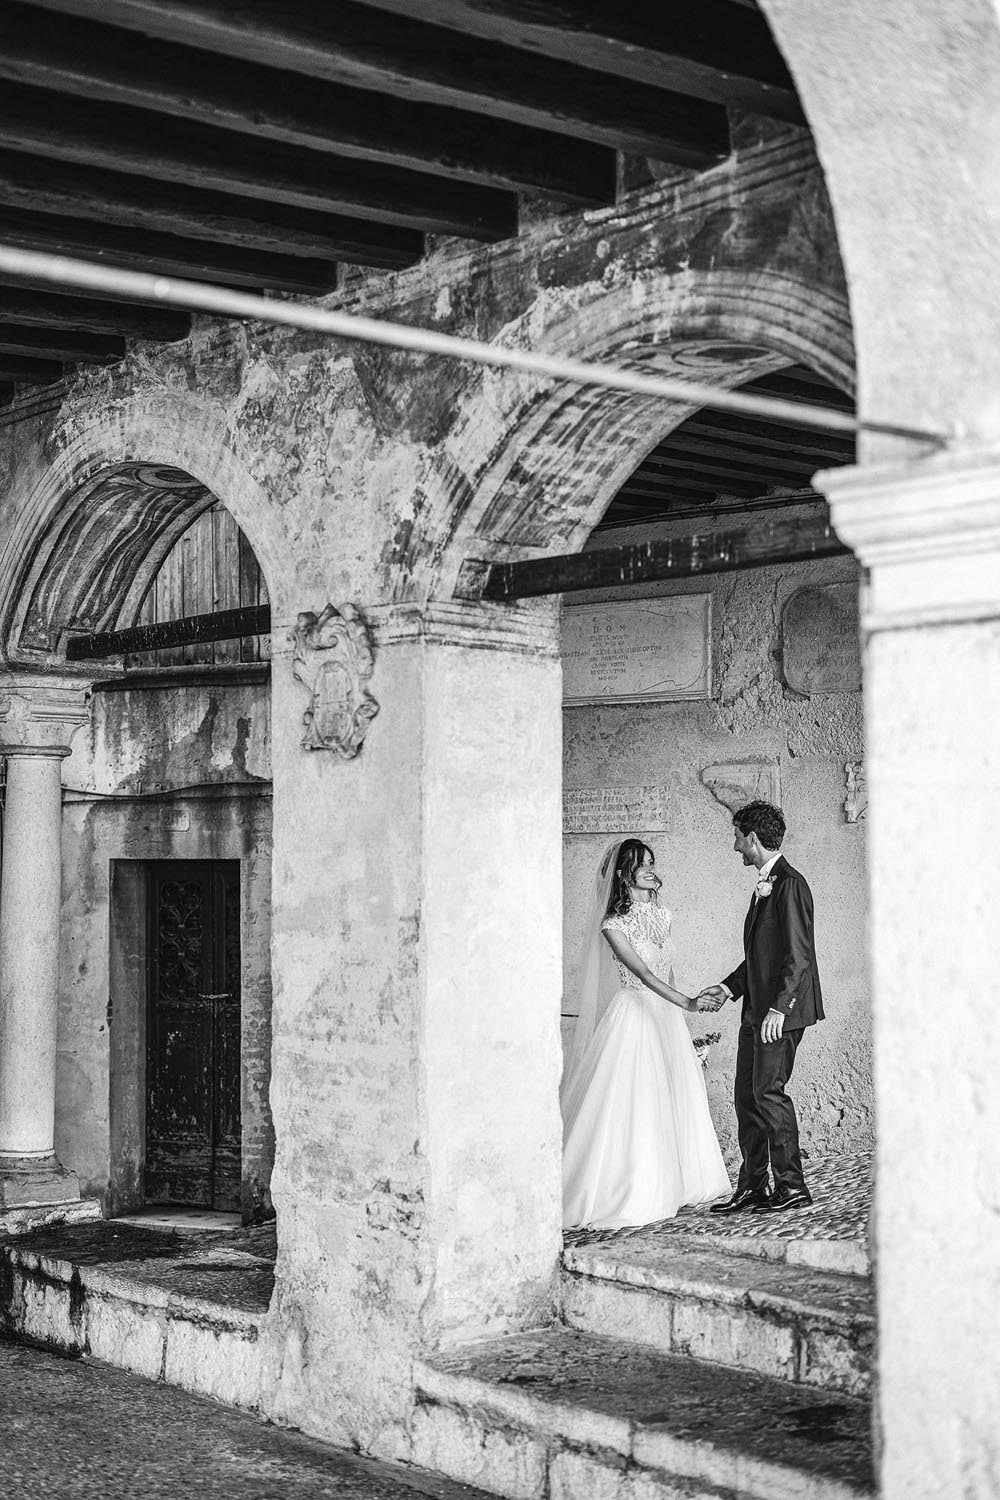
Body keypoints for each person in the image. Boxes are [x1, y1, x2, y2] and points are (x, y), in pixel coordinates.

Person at [561, 838, 731, 1230]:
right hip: (634, 1015)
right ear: (624, 874)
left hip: (666, 1018)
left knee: (676, 1093)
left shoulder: (664, 915)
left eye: (653, 861)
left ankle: (682, 1182)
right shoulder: (613, 925)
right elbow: (643, 974)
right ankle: (634, 1188)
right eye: (642, 864)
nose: (652, 869)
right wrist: (687, 1002)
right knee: (635, 1099)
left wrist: (679, 1011)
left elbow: (667, 971)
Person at [699, 801, 823, 1214]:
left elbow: (798, 956)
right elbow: (761, 956)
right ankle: (753, 1186)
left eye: (738, 838)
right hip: (756, 1009)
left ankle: (791, 1186)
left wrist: (780, 1009)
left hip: (779, 1014)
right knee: (746, 1096)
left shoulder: (789, 884)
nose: (735, 847)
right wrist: (727, 988)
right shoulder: (765, 885)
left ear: (752, 838)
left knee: (769, 1092)